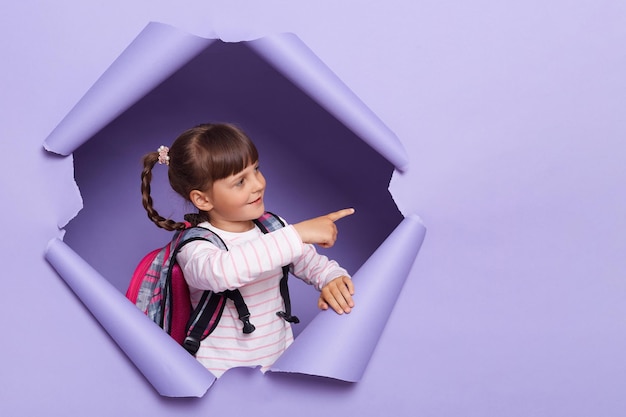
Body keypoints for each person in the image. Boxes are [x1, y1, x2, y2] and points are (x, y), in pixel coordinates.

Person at [141, 122, 355, 377]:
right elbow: (223, 273)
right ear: (203, 199)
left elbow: (313, 264)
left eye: (256, 169)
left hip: (279, 366)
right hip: (218, 378)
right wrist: (298, 233)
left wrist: (333, 279)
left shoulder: (274, 228)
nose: (258, 184)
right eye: (240, 181)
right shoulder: (196, 245)